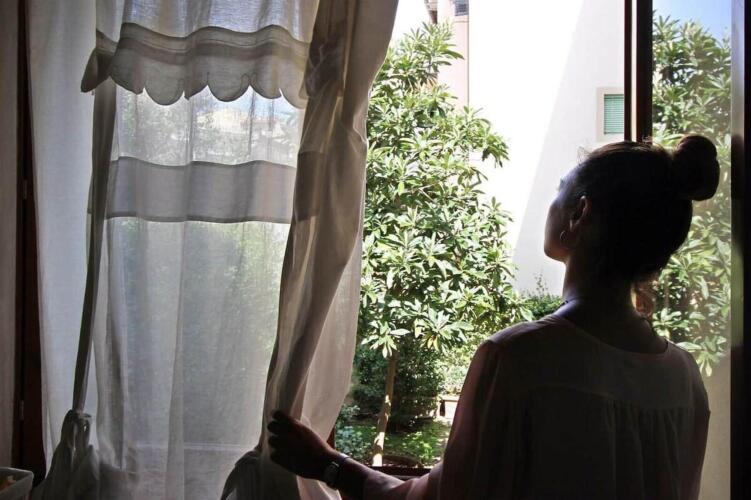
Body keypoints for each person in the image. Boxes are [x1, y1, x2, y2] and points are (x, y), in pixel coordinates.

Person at [267, 135, 718, 499]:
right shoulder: (685, 380)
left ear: (580, 213)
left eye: (559, 189)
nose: (550, 202)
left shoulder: (520, 358)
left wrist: (328, 465)